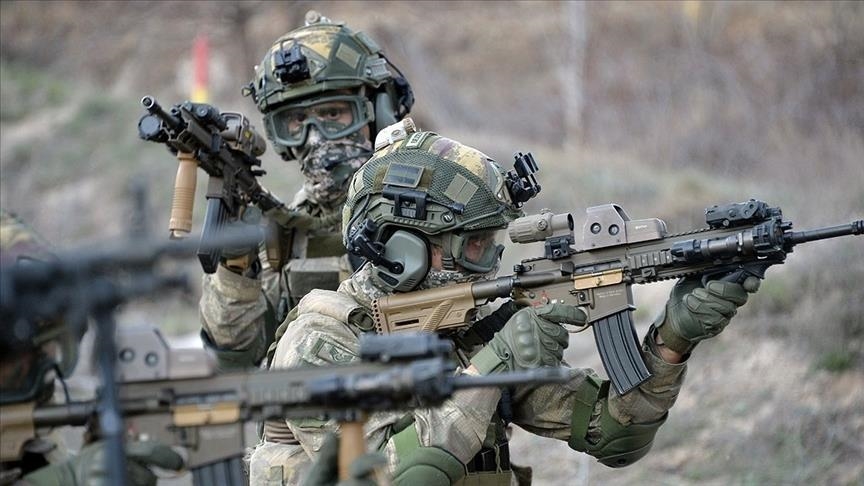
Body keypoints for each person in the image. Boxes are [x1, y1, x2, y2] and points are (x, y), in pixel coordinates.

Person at [248, 124, 761, 485]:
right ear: (403, 250)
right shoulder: (321, 341)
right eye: (474, 246)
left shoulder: (460, 331)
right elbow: (397, 477)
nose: (491, 262)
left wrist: (673, 339)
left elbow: (616, 438)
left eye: (492, 243)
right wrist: (497, 363)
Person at [199, 10, 414, 371]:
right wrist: (235, 270)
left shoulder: (428, 197)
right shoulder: (286, 229)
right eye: (297, 122)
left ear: (378, 112)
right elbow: (234, 357)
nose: (315, 139)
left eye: (333, 114)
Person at [0, 209, 185, 486]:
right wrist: (68, 479)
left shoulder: (30, 421)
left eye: (50, 340)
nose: (44, 360)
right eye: (14, 351)